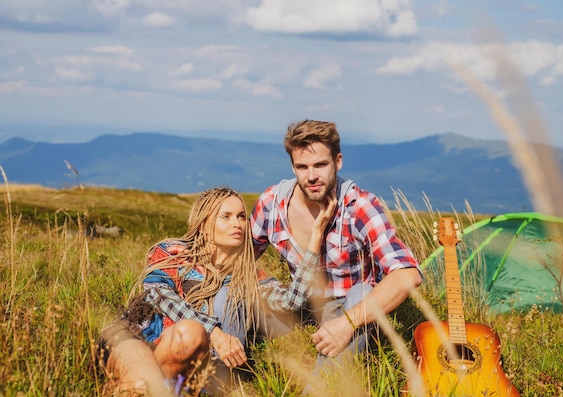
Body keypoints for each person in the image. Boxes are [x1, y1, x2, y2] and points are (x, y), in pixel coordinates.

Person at [97, 186, 336, 396]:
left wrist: (315, 239)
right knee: (144, 379)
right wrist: (215, 333)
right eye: (226, 217)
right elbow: (157, 293)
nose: (238, 223)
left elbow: (291, 302)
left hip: (187, 360)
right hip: (139, 339)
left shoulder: (248, 275)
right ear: (204, 223)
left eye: (242, 216)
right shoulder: (173, 251)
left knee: (161, 373)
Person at [250, 119, 423, 365]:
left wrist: (348, 322)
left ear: (338, 162)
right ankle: (220, 378)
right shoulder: (271, 204)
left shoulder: (359, 206)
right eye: (302, 167)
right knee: (230, 298)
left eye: (320, 165)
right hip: (295, 303)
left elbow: (408, 275)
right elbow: (239, 260)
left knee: (363, 292)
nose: (311, 176)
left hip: (345, 307)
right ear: (292, 166)